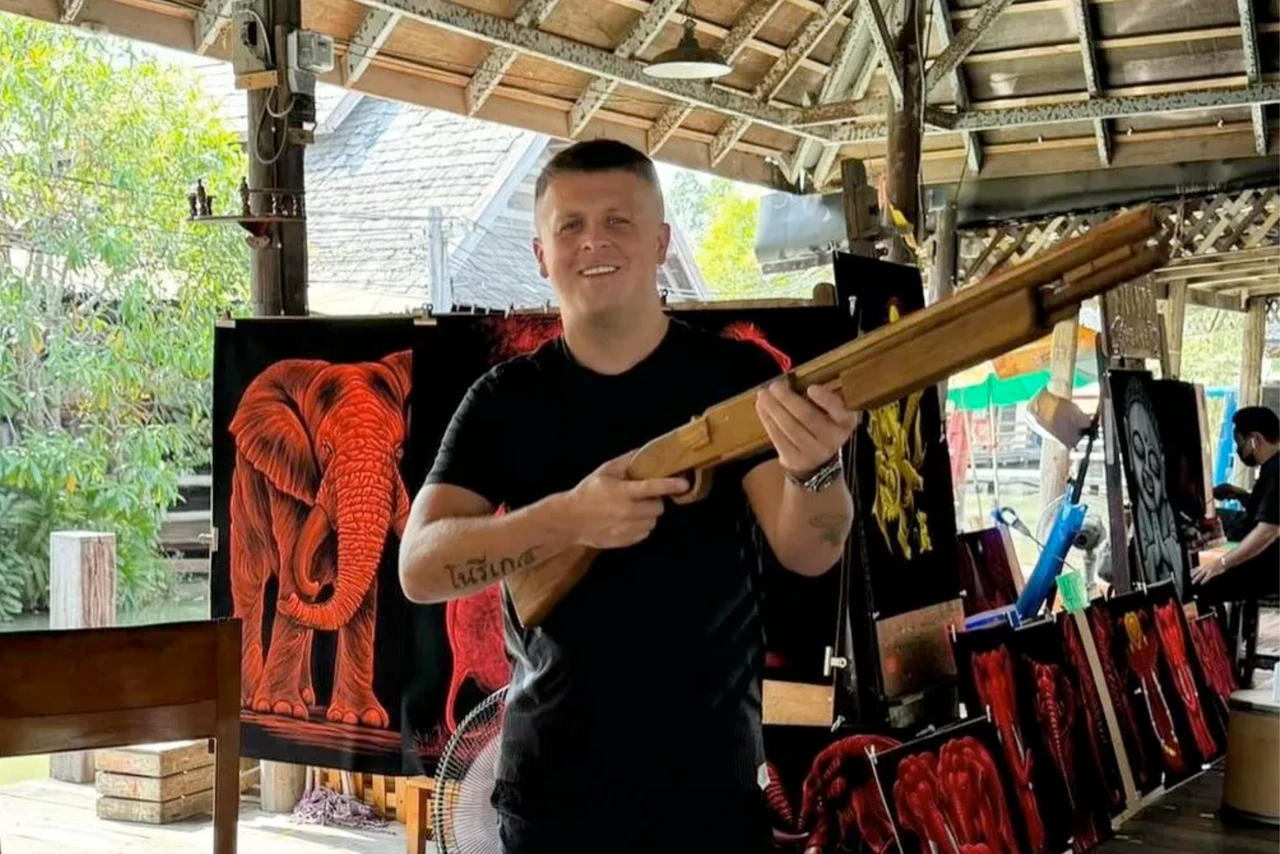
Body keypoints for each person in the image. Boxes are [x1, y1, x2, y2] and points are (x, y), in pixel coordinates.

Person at [397, 139, 858, 854]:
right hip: (551, 800)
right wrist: (571, 515)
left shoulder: (737, 379)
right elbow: (420, 567)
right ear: (542, 255)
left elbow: (811, 551)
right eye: (570, 226)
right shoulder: (503, 400)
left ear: (661, 242)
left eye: (618, 221)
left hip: (710, 797)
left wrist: (817, 467)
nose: (594, 242)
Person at [1191, 406, 1279, 603]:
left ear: (1255, 439)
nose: (1238, 450)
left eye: (1239, 443)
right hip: (1265, 562)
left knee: (1197, 584)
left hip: (1267, 569)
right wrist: (1239, 494)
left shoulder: (1276, 472)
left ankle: (1214, 634)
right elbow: (1269, 510)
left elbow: (1267, 531)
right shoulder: (1271, 468)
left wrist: (1221, 564)